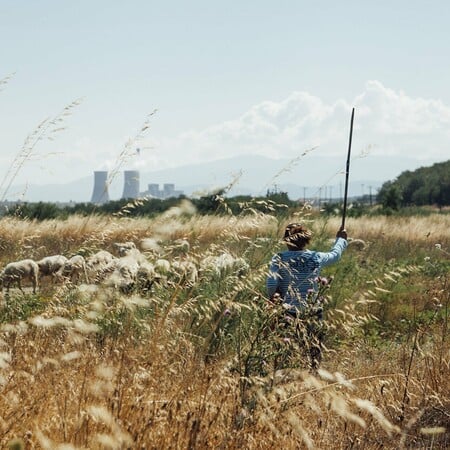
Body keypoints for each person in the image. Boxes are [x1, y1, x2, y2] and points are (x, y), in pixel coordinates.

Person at [266, 223, 348, 369]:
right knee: (313, 347)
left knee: (285, 347)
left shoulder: (278, 258)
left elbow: (271, 284)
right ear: (306, 241)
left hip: (287, 311)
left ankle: (284, 376)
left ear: (286, 240)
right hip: (312, 310)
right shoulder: (316, 257)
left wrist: (274, 298)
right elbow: (334, 256)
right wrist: (341, 239)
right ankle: (313, 376)